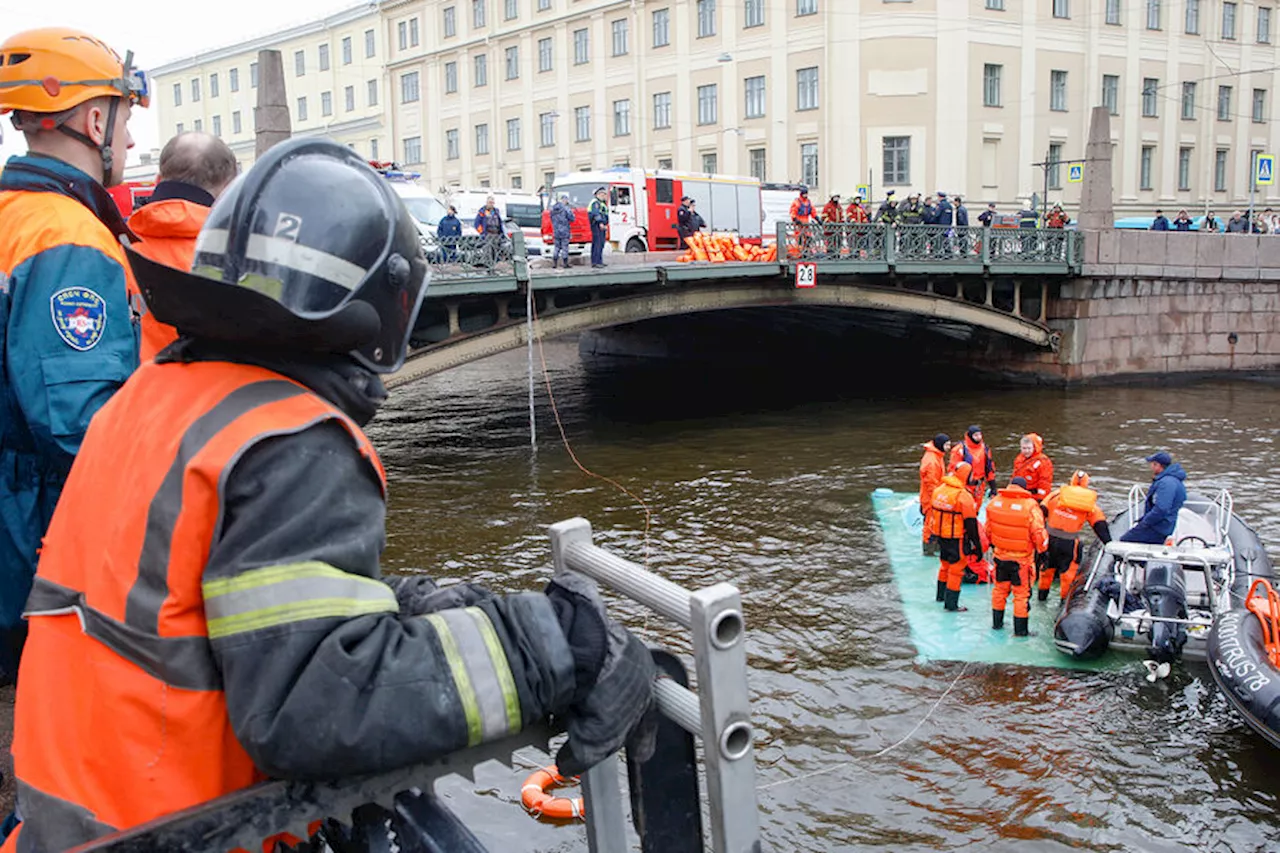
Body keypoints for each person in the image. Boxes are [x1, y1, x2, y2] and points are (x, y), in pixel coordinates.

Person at [1, 139, 657, 852]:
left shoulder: (154, 398)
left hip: (74, 818)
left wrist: (423, 605)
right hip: (186, 833)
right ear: (383, 307)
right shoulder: (288, 438)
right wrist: (558, 646)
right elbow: (318, 702)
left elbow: (223, 601)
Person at [0, 27, 149, 684]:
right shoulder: (66, 236)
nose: (130, 143)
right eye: (123, 123)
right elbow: (80, 425)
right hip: (29, 551)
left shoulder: (13, 215)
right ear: (94, 118)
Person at [129, 132, 238, 360]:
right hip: (211, 393)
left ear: (158, 181)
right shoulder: (235, 257)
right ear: (229, 188)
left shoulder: (115, 245)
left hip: (134, 391)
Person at [985, 477, 1049, 636]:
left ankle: (997, 624)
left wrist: (995, 545)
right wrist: (1043, 552)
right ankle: (1020, 631)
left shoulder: (994, 503)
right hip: (1021, 560)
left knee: (999, 591)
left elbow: (988, 530)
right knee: (1021, 595)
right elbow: (1038, 533)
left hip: (1000, 556)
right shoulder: (1030, 507)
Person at [1041, 471, 1112, 602]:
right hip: (1069, 543)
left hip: (1049, 540)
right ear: (1086, 483)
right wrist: (1109, 544)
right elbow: (1099, 525)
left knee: (1046, 570)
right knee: (1067, 574)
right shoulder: (1088, 503)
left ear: (1071, 481)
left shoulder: (1056, 494)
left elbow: (1041, 512)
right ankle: (1064, 604)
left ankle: (1041, 597)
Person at [926, 461, 982, 613]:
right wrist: (977, 546)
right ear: (966, 475)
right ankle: (951, 604)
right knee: (956, 569)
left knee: (944, 565)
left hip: (941, 536)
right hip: (956, 537)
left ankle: (940, 596)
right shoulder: (963, 496)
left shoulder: (940, 490)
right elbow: (971, 524)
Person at [1119, 451, 1187, 544]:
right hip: (1164, 526)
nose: (1150, 466)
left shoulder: (1166, 483)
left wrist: (1145, 522)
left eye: (1152, 464)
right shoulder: (1173, 480)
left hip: (1157, 527)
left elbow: (1162, 508)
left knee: (1124, 542)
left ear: (1157, 465)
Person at [950, 425, 996, 509]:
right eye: (976, 435)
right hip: (965, 486)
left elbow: (989, 469)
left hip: (979, 485)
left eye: (980, 434)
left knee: (976, 508)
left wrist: (993, 487)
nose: (978, 437)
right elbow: (953, 469)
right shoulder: (960, 449)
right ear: (970, 436)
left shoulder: (985, 449)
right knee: (965, 509)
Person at [919, 433, 950, 555]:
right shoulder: (932, 461)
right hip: (930, 498)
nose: (949, 447)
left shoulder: (936, 455)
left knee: (935, 522)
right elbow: (931, 483)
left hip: (933, 495)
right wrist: (938, 498)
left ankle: (934, 546)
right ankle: (928, 549)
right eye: (947, 444)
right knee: (930, 524)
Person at [1010, 433, 1053, 502]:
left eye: (1029, 448)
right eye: (1024, 448)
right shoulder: (1019, 459)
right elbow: (1014, 475)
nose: (1026, 451)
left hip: (1033, 496)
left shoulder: (1043, 462)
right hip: (1019, 494)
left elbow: (1045, 482)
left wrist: (1041, 499)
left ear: (1034, 447)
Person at [549, 192, 574, 268]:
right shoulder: (566, 208)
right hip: (564, 230)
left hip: (556, 230)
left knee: (556, 247)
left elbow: (551, 218)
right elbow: (572, 218)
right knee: (565, 247)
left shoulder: (553, 208)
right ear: (564, 200)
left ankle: (554, 263)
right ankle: (565, 263)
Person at [588, 186, 609, 268]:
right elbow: (596, 214)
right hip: (597, 226)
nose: (604, 196)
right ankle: (595, 262)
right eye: (603, 194)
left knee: (601, 244)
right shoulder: (595, 203)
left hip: (601, 226)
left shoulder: (601, 203)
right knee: (597, 244)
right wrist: (601, 223)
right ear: (598, 194)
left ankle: (599, 261)